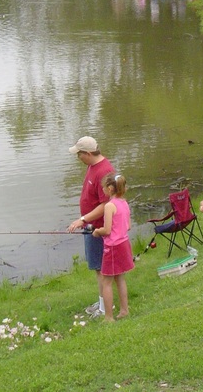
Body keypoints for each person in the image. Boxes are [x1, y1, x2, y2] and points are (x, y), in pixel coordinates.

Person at [67, 136, 114, 318]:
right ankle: (102, 301)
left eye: (79, 154)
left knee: (102, 268)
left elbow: (105, 205)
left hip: (99, 228)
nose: (78, 157)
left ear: (87, 153)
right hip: (90, 226)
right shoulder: (92, 167)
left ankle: (104, 309)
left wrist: (83, 219)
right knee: (97, 267)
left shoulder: (105, 172)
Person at [92, 174, 134, 322]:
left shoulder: (110, 206)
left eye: (104, 187)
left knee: (106, 282)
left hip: (113, 247)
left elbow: (107, 230)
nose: (103, 190)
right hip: (124, 244)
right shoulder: (124, 202)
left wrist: (97, 231)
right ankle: (124, 310)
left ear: (110, 189)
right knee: (120, 278)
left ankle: (108, 317)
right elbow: (128, 226)